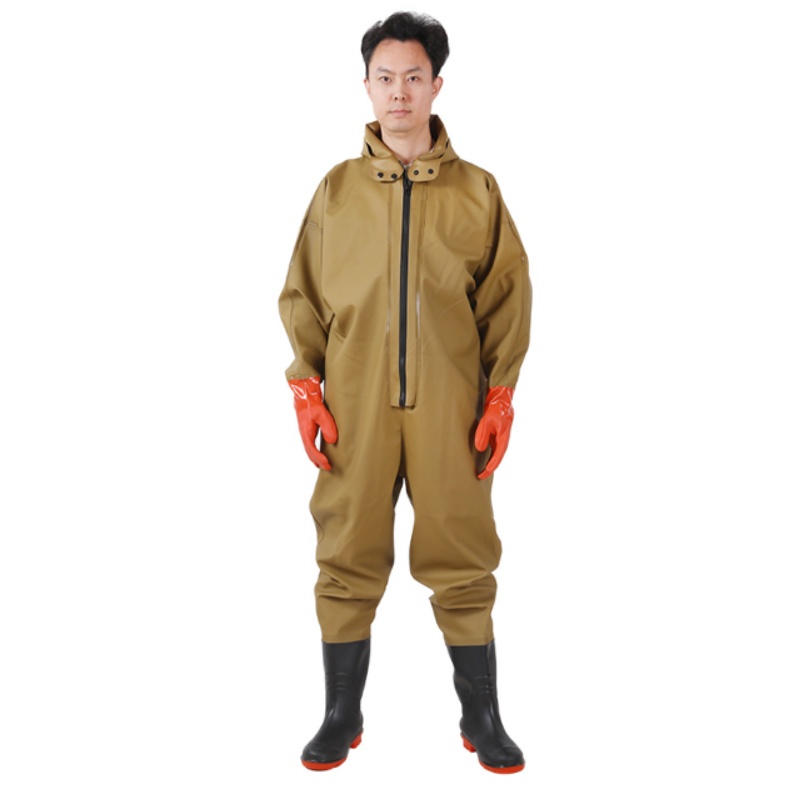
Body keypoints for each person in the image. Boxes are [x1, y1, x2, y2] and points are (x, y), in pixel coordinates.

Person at [279, 11, 532, 774]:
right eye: (384, 77)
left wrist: (499, 395)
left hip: (450, 409)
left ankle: (480, 714)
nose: (398, 92)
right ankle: (340, 711)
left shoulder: (476, 191)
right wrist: (305, 384)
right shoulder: (336, 190)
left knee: (462, 556)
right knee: (345, 554)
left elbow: (506, 299)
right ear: (365, 85)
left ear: (436, 85)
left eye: (413, 77)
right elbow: (303, 292)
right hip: (353, 409)